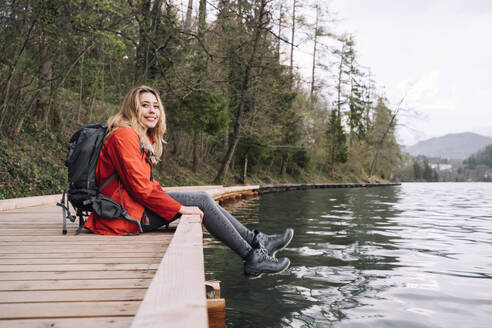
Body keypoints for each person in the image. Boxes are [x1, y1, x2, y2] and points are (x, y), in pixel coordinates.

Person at [84, 85, 293, 278]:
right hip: (123, 215)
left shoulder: (135, 135)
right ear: (132, 109)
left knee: (201, 198)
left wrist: (175, 203)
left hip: (131, 207)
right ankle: (252, 256)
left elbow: (144, 184)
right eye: (144, 106)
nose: (152, 111)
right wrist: (180, 208)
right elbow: (141, 189)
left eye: (156, 106)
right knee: (200, 200)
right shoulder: (124, 136)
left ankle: (257, 241)